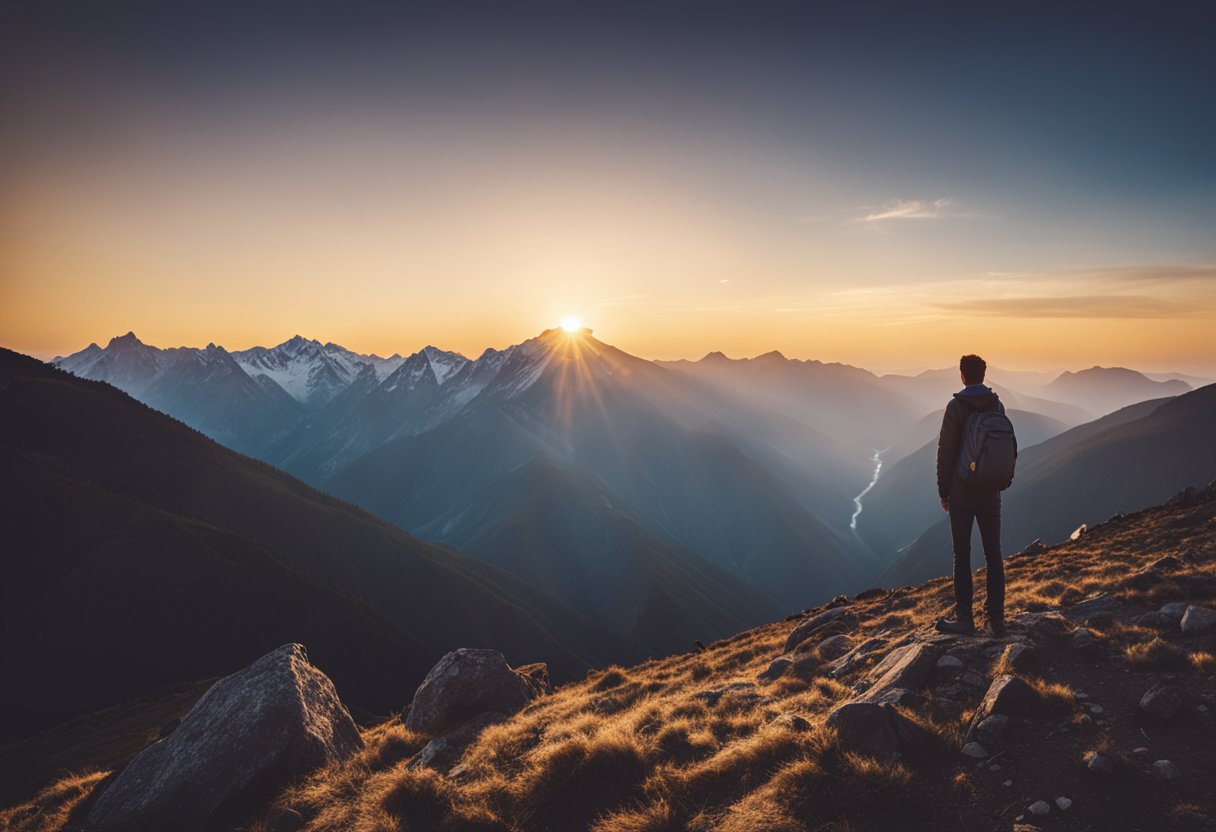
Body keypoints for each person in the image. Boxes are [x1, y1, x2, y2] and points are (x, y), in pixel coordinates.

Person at [934, 354, 1006, 636]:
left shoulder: (956, 407)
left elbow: (946, 452)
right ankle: (996, 620)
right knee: (994, 555)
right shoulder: (997, 404)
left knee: (962, 556)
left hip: (962, 492)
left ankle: (965, 620)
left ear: (962, 375)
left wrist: (943, 490)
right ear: (983, 375)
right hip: (990, 491)